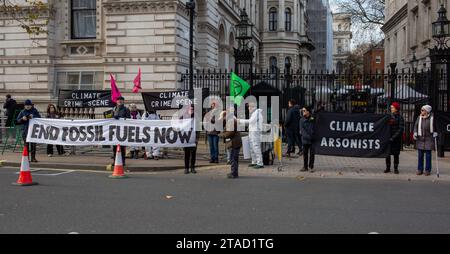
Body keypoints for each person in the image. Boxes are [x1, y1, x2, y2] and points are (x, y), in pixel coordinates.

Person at [413, 105, 438, 176]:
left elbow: (436, 126)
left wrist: (435, 132)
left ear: (427, 111)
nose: (421, 111)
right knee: (420, 155)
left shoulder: (432, 118)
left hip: (429, 139)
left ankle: (427, 170)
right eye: (421, 110)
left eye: (422, 110)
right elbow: (416, 126)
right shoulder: (419, 117)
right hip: (420, 139)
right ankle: (420, 169)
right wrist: (415, 132)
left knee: (428, 155)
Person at [239, 102, 264, 169]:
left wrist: (240, 120)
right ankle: (254, 161)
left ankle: (260, 163)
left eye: (249, 106)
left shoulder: (257, 113)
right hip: (252, 132)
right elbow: (252, 122)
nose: (248, 108)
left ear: (253, 107)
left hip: (255, 132)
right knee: (252, 147)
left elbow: (251, 121)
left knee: (256, 147)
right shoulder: (254, 113)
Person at [219, 110, 242, 179]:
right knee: (234, 158)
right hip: (235, 141)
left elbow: (230, 133)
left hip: (235, 142)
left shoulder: (231, 121)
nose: (223, 119)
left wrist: (221, 135)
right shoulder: (231, 121)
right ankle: (234, 172)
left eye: (223, 117)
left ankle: (234, 173)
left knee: (233, 158)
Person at [385, 102, 404, 174]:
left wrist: (394, 137)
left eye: (392, 107)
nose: (391, 108)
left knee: (396, 155)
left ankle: (396, 168)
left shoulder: (400, 117)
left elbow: (401, 129)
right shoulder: (389, 116)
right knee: (387, 154)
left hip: (396, 139)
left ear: (396, 109)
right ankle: (388, 168)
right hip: (389, 138)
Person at [112, 96, 131, 166]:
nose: (119, 101)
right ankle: (115, 161)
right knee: (114, 147)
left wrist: (120, 118)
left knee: (122, 147)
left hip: (122, 131)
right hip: (114, 130)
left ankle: (123, 161)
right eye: (118, 100)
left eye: (121, 100)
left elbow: (128, 119)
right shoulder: (114, 109)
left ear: (123, 101)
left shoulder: (126, 109)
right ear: (116, 101)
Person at [181, 104, 198, 174]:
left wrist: (197, 138)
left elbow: (198, 128)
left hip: (193, 138)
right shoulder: (184, 116)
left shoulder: (196, 117)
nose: (191, 110)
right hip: (186, 138)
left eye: (192, 109)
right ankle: (186, 168)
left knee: (193, 154)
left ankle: (192, 167)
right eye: (190, 109)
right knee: (186, 154)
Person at [299, 106, 315, 172]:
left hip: (313, 139)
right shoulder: (301, 120)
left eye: (304, 110)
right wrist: (308, 137)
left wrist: (313, 136)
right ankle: (305, 167)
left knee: (312, 154)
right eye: (302, 110)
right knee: (305, 154)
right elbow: (302, 131)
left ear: (308, 111)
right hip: (305, 139)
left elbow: (315, 128)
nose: (303, 112)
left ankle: (311, 166)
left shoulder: (313, 118)